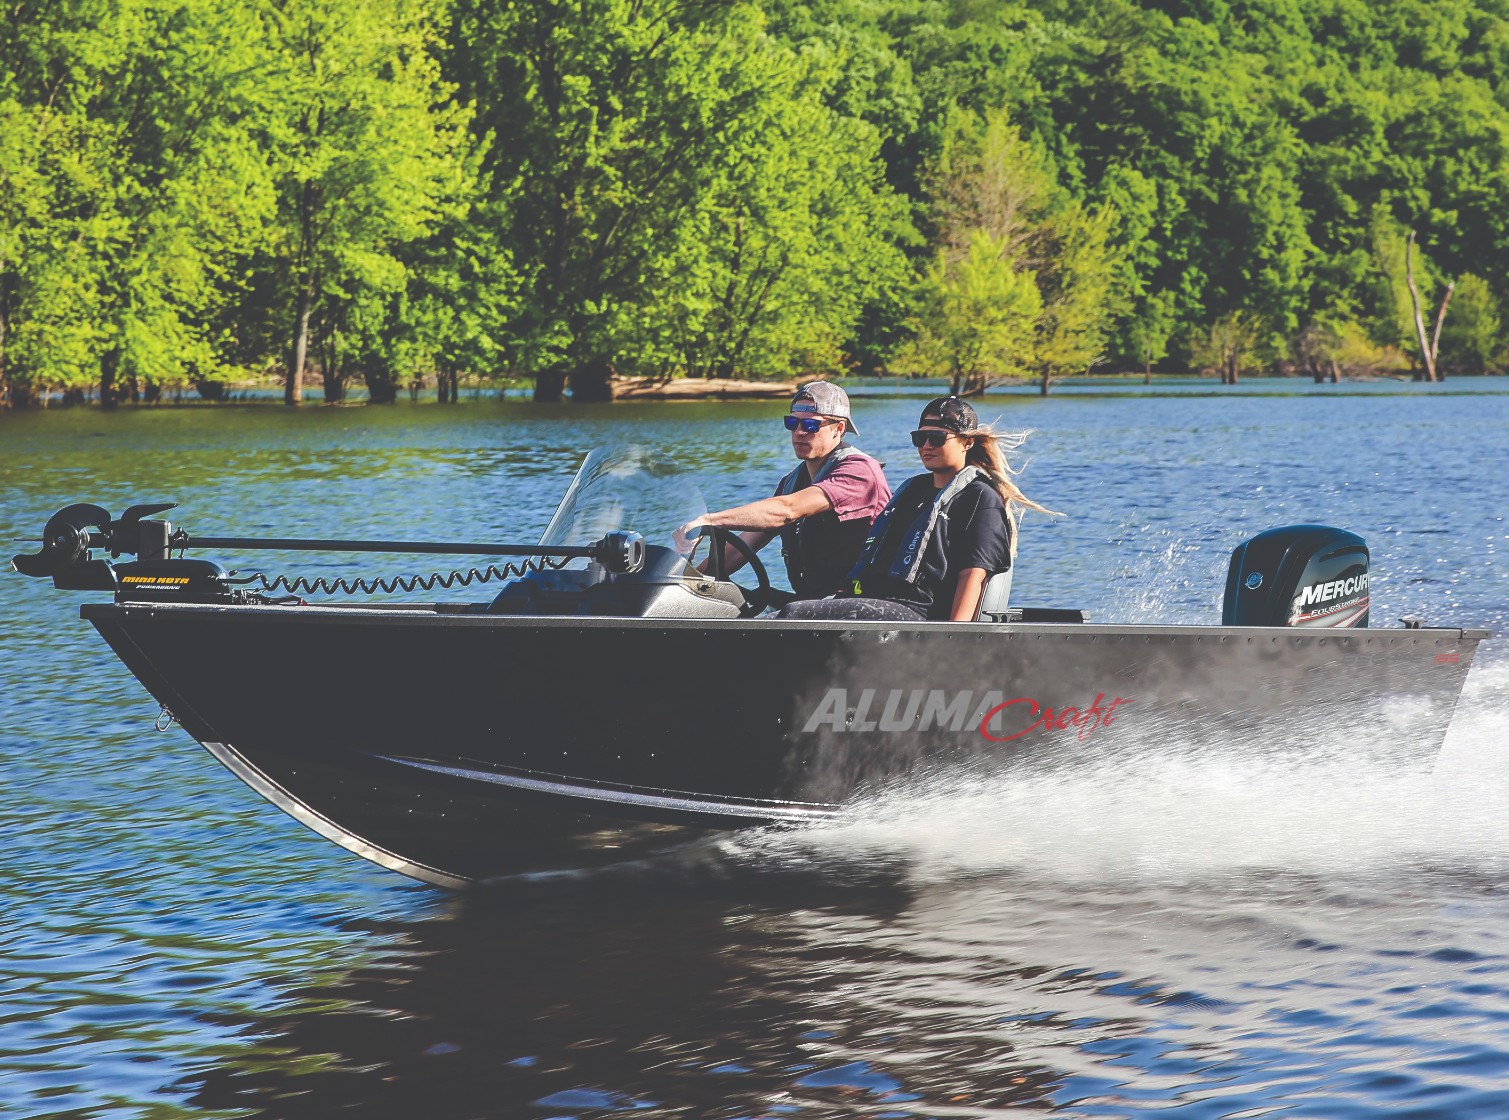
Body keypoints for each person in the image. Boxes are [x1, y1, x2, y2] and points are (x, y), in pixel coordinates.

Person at [779, 396, 1052, 623]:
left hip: (919, 613)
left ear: (967, 442)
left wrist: (955, 640)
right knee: (763, 608)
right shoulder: (913, 491)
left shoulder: (980, 498)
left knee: (794, 615)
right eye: (920, 438)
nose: (926, 446)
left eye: (936, 438)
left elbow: (973, 574)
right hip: (878, 603)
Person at [674, 382, 891, 601]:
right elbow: (741, 547)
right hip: (815, 603)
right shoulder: (791, 483)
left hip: (866, 603)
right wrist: (687, 583)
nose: (799, 432)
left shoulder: (859, 472)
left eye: (810, 425)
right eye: (792, 423)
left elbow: (788, 509)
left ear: (839, 429)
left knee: (784, 614)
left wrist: (709, 520)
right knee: (732, 602)